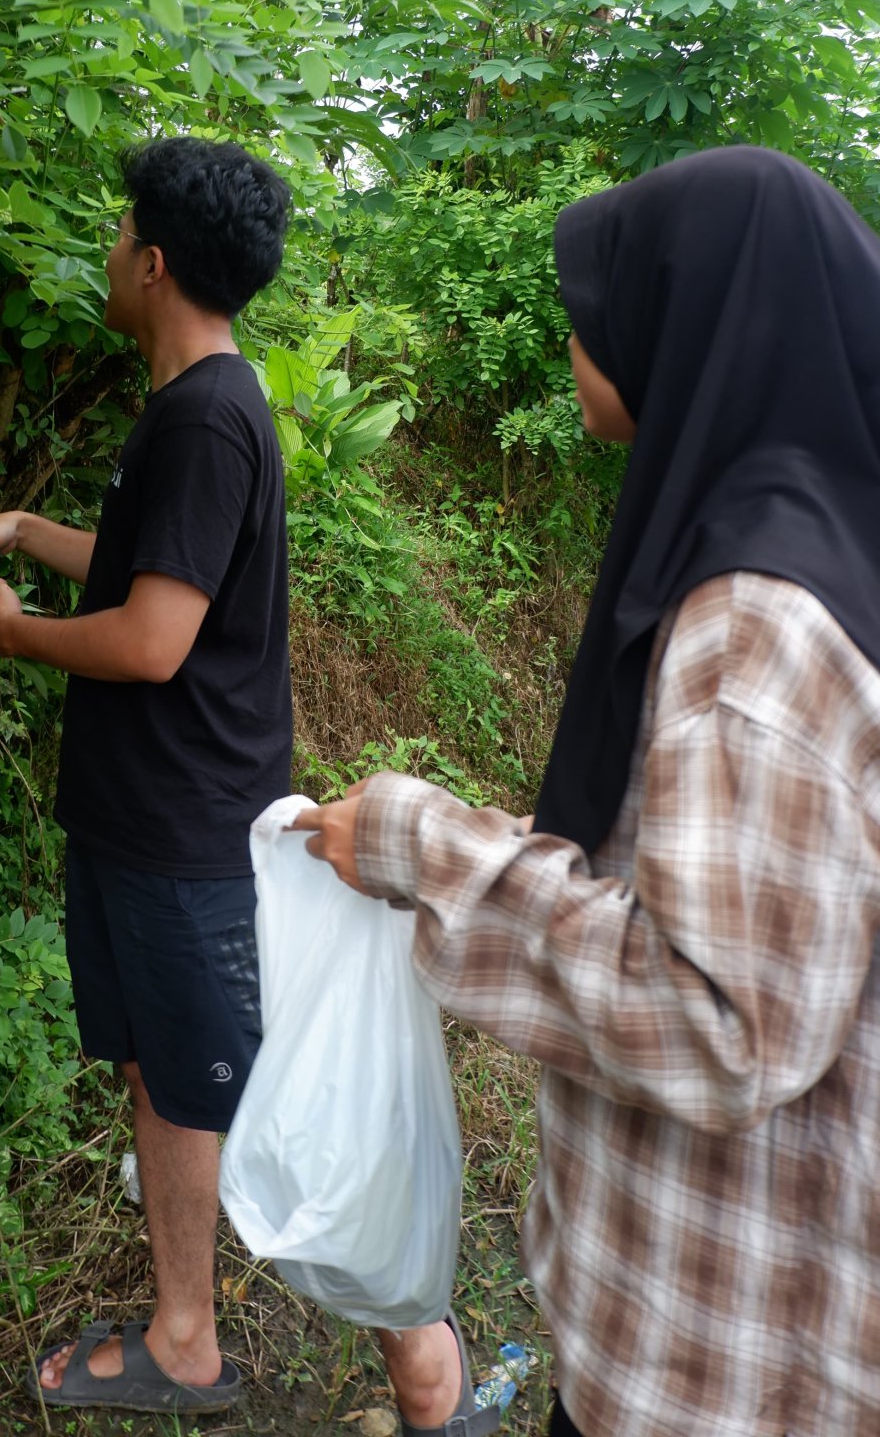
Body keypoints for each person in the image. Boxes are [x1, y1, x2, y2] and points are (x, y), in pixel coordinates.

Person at [293, 145, 880, 1437]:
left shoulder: (754, 629)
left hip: (715, 1377)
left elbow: (716, 1013)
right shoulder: (830, 546)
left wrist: (420, 844)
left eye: (596, 313)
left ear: (693, 330)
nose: (573, 344)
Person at [0, 136, 294, 1416]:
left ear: (150, 262)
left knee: (193, 1084)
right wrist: (31, 532)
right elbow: (155, 577)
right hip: (148, 818)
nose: (107, 255)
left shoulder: (205, 415)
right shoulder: (195, 405)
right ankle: (179, 1314)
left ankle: (191, 1341)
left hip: (186, 828)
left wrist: (11, 631)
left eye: (115, 235)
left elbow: (151, 641)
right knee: (156, 1069)